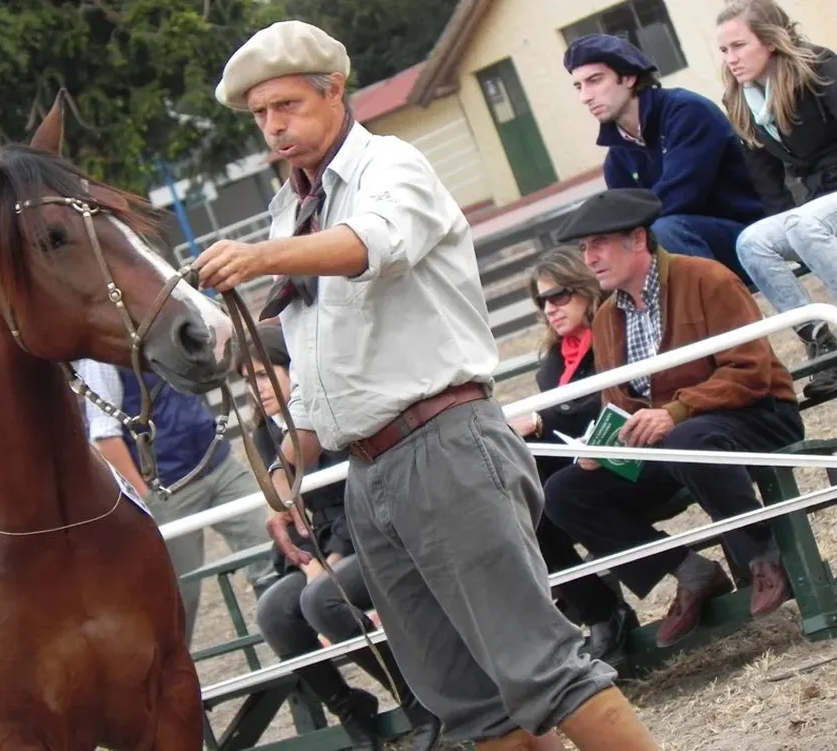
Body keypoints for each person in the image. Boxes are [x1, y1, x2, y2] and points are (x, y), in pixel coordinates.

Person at [194, 19, 661, 750]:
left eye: (286, 105)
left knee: (542, 666)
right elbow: (317, 367)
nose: (272, 126)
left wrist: (259, 258)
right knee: (466, 702)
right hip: (366, 469)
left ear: (334, 90)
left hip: (445, 442)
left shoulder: (392, 167)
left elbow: (371, 245)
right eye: (259, 115)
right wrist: (289, 468)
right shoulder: (290, 209)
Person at [543, 188, 804, 649]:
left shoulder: (706, 279)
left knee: (689, 436)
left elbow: (750, 372)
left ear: (638, 239)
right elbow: (620, 402)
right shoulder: (607, 317)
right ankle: (690, 571)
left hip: (756, 415)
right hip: (677, 439)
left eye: (599, 244)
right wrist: (605, 445)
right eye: (584, 249)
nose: (591, 258)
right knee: (564, 492)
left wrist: (673, 411)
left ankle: (764, 554)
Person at [241, 323, 440, 751]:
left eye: (262, 373)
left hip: (382, 530)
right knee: (274, 611)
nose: (256, 388)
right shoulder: (266, 433)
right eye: (247, 380)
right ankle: (351, 708)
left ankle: (418, 697)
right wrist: (313, 559)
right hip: (330, 544)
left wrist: (329, 558)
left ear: (290, 365)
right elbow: (301, 513)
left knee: (322, 599)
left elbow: (360, 486)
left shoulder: (328, 410)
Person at [77, 359, 272, 647]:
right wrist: (145, 495)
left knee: (270, 553)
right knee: (179, 596)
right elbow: (105, 434)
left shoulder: (166, 326)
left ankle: (300, 657)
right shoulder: (100, 361)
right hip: (167, 486)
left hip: (217, 462)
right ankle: (176, 672)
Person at [511, 248, 638, 661]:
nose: (550, 308)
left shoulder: (615, 330)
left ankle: (604, 610)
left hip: (629, 451)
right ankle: (600, 611)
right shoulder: (552, 362)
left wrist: (541, 421)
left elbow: (615, 401)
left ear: (585, 290)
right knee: (518, 495)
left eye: (559, 295)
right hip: (579, 465)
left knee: (549, 492)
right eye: (542, 301)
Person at [563, 33, 765, 282]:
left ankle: (723, 309)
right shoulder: (617, 160)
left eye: (594, 80)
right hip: (688, 248)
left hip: (751, 237)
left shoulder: (687, 112)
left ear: (628, 76)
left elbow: (679, 197)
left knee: (663, 230)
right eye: (579, 86)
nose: (585, 97)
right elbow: (626, 222)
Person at [717, 0, 837, 400]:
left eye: (738, 46)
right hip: (815, 205)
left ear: (768, 41)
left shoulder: (819, 69)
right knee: (751, 241)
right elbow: (768, 185)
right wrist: (788, 228)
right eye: (724, 51)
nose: (731, 59)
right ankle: (823, 345)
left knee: (804, 224)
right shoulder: (740, 100)